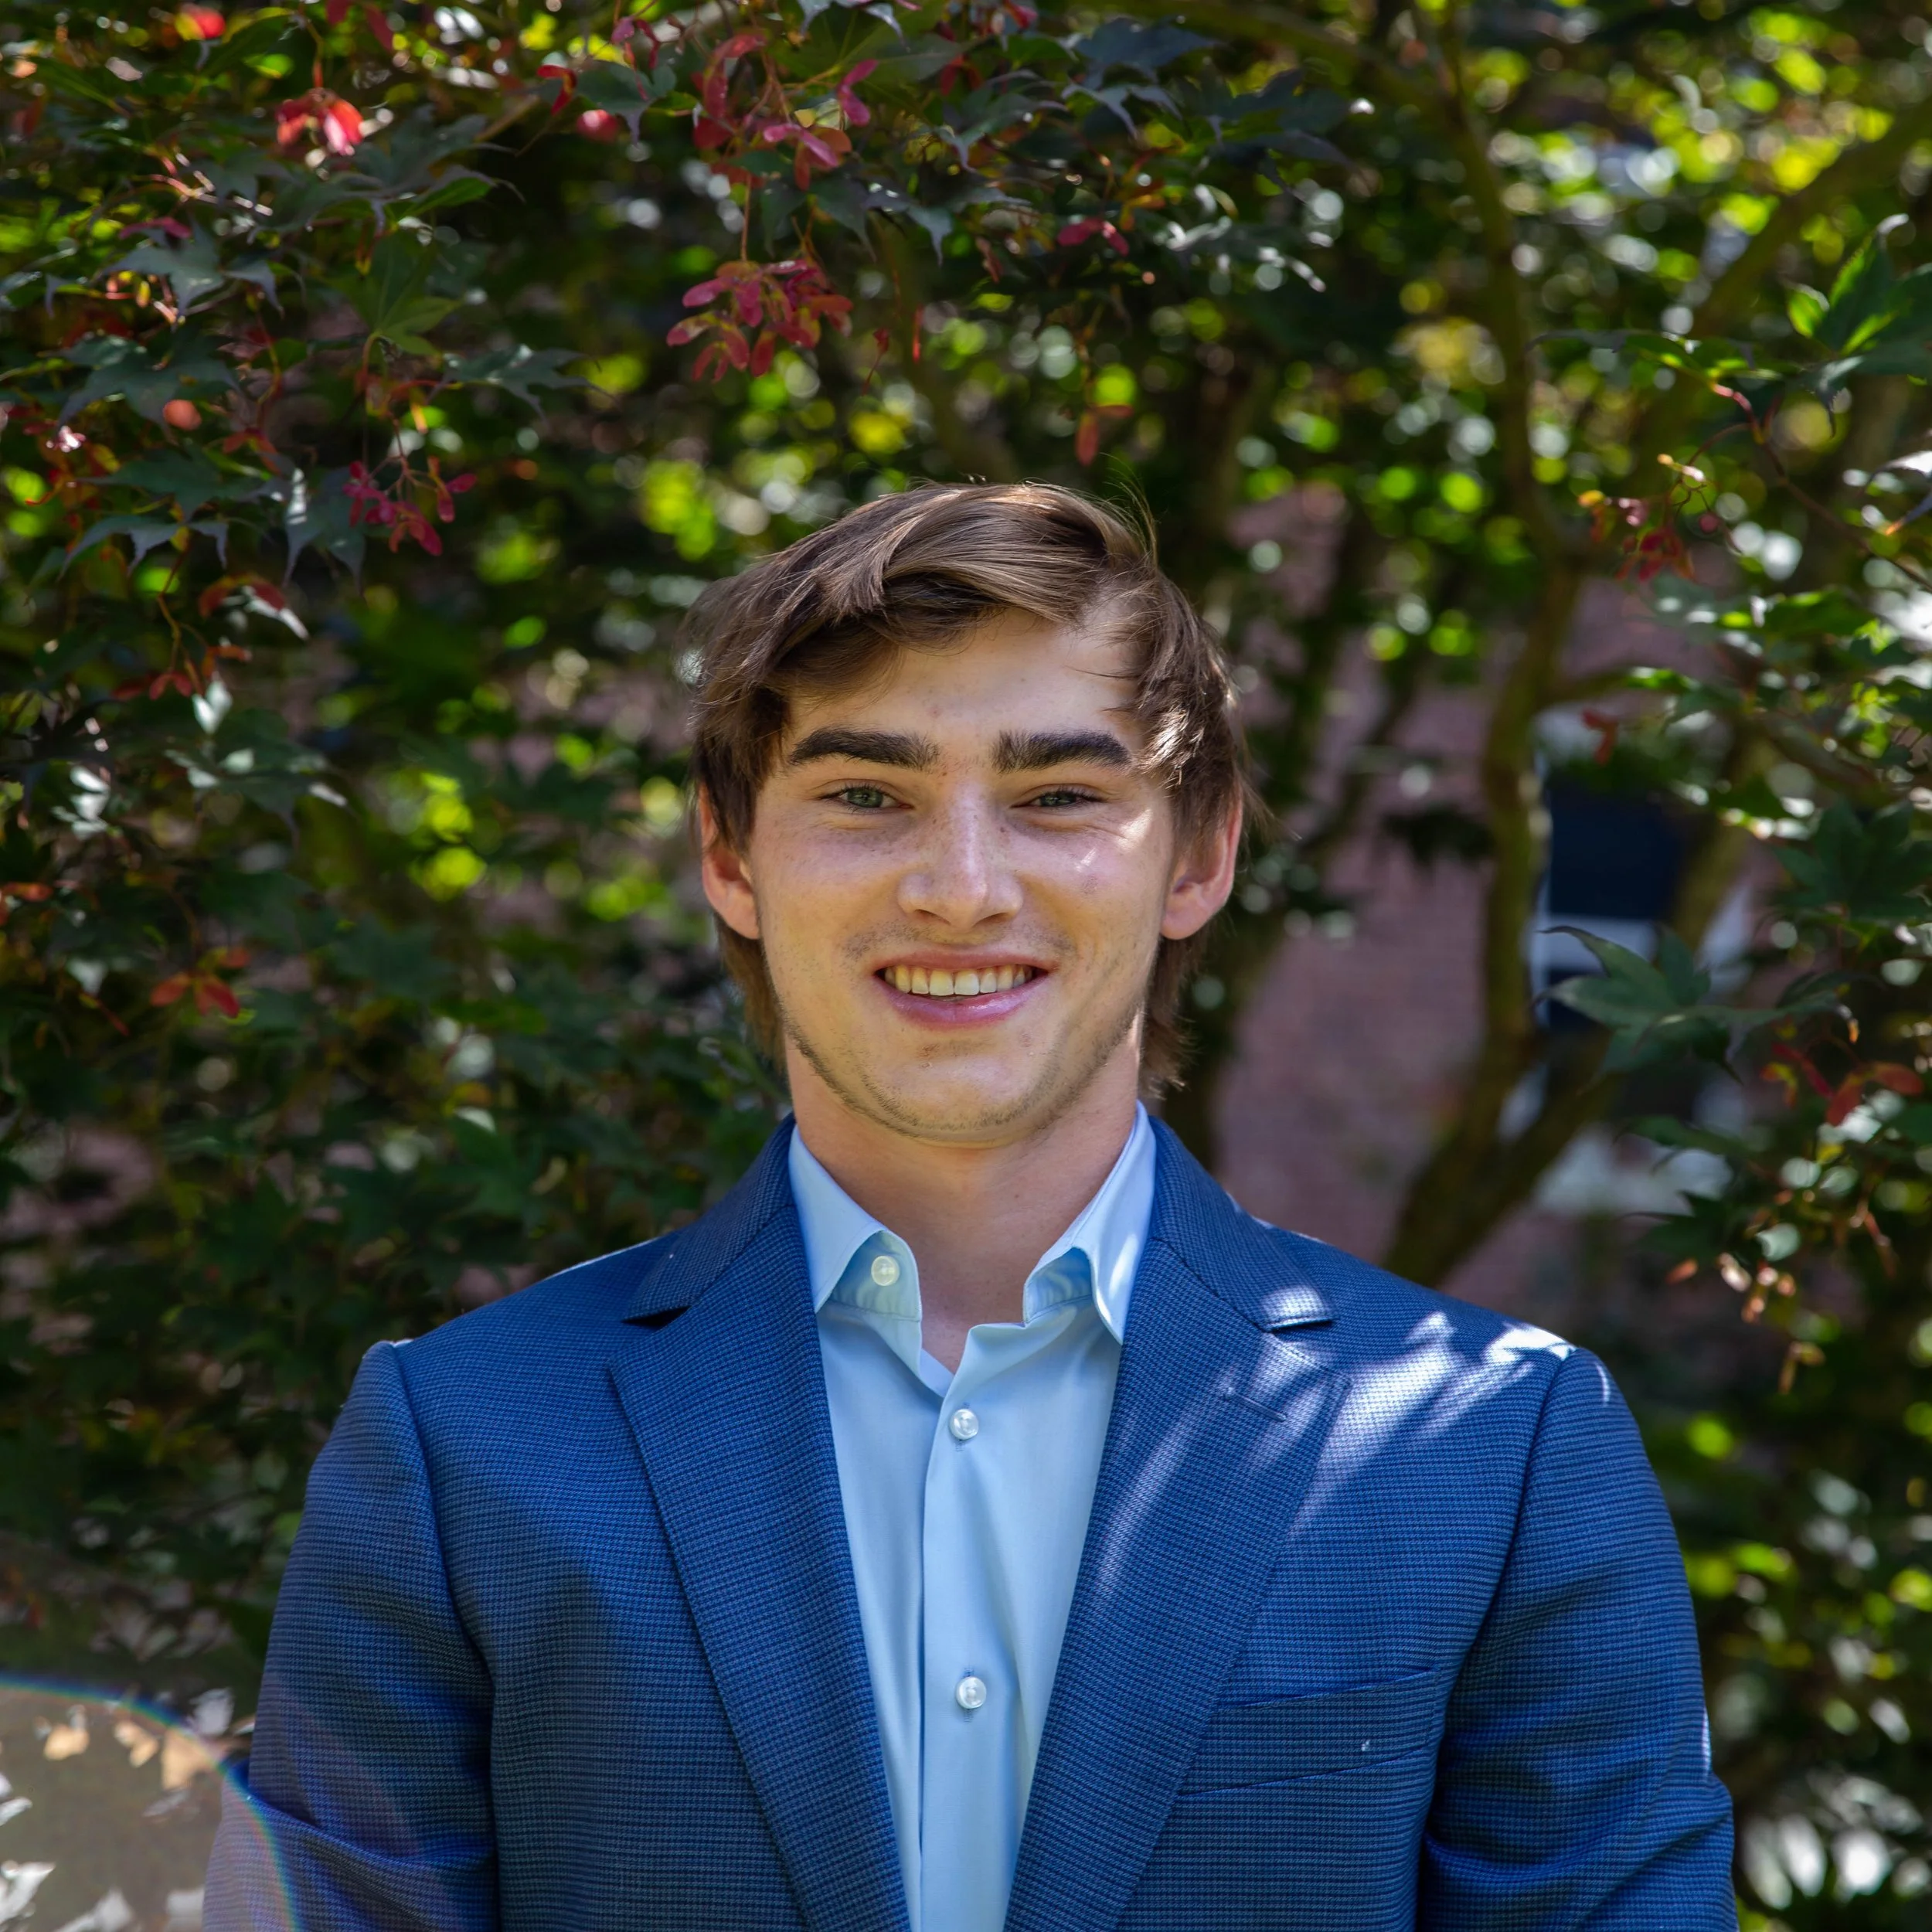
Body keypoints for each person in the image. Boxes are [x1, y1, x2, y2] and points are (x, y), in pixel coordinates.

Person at [206, 483, 1733, 1931]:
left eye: (1056, 792)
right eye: (867, 792)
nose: (957, 883)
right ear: (729, 857)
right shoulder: (460, 1448)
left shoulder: (1491, 1446)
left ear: (1195, 857)